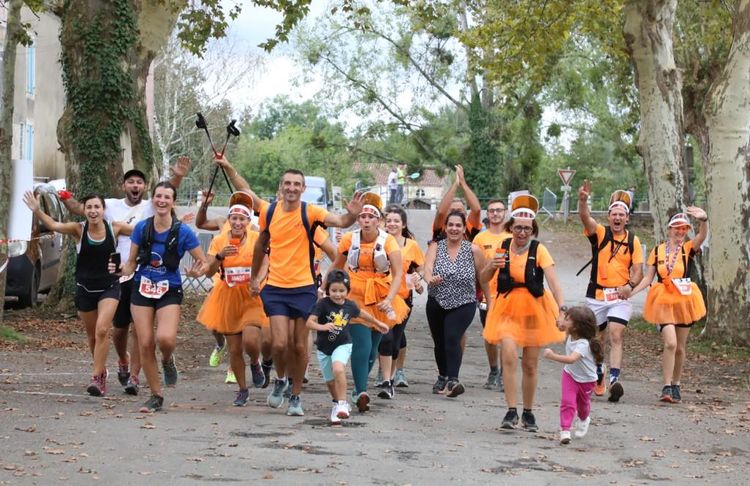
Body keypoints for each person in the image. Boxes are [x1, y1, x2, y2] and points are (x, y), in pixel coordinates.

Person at [60, 157, 191, 395]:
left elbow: (167, 194)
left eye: (140, 182)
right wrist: (67, 199)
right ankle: (123, 360)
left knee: (141, 331)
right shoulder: (110, 205)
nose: (135, 185)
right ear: (124, 185)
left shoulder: (152, 206)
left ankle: (134, 377)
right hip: (117, 273)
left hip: (142, 274)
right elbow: (82, 209)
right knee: (119, 331)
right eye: (131, 181)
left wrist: (178, 176)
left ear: (144, 186)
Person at [249, 169, 364, 417]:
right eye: (287, 183)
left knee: (300, 347)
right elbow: (259, 244)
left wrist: (351, 216)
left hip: (304, 289)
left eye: (297, 184)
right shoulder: (270, 212)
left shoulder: (310, 215)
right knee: (279, 344)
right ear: (281, 187)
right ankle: (281, 379)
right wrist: (254, 277)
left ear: (303, 189)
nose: (291, 188)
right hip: (277, 287)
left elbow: (340, 226)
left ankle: (296, 396)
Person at [24, 192, 132, 396]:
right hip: (85, 288)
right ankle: (101, 369)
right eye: (89, 207)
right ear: (84, 210)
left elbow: (143, 233)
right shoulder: (78, 229)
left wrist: (130, 263)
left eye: (96, 207)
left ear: (103, 210)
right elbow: (54, 225)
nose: (92, 211)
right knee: (92, 337)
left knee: (102, 330)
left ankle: (97, 378)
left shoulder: (114, 227)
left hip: (109, 287)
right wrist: (36, 209)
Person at [118, 182, 207, 413]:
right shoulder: (141, 228)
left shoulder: (183, 232)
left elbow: (203, 261)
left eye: (167, 197)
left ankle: (168, 360)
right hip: (142, 286)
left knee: (165, 339)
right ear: (153, 199)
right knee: (145, 342)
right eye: (158, 196)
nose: (161, 201)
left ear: (172, 202)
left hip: (169, 288)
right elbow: (130, 263)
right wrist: (121, 270)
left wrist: (197, 270)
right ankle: (156, 395)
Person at [481, 195, 566, 430]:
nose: (522, 233)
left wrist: (561, 311)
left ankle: (528, 412)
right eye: (518, 227)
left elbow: (554, 283)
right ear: (511, 227)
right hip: (506, 307)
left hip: (533, 309)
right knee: (508, 353)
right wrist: (491, 266)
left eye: (527, 229)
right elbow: (484, 279)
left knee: (530, 363)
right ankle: (511, 411)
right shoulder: (502, 247)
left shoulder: (540, 250)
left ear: (533, 229)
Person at [328, 195, 410, 412]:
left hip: (381, 293)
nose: (366, 220)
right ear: (358, 219)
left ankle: (360, 384)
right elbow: (337, 265)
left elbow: (398, 271)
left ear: (378, 220)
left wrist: (390, 299)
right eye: (362, 216)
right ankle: (361, 391)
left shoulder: (388, 241)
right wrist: (323, 287)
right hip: (355, 294)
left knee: (374, 348)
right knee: (361, 344)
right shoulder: (349, 239)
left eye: (370, 216)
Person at [630, 208, 708, 403]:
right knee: (670, 343)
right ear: (669, 229)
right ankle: (666, 386)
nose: (680, 231)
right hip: (663, 300)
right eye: (676, 228)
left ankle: (676, 383)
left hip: (684, 300)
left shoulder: (688, 248)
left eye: (684, 228)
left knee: (680, 348)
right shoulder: (657, 251)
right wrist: (630, 293)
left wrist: (703, 220)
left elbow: (702, 236)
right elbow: (648, 278)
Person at [577, 182, 644, 403]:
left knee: (616, 334)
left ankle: (615, 380)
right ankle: (599, 374)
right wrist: (583, 201)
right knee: (597, 339)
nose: (617, 218)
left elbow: (638, 271)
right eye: (614, 214)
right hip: (596, 296)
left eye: (621, 214)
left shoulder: (632, 240)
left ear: (627, 218)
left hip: (619, 297)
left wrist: (630, 286)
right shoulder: (600, 233)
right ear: (608, 216)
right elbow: (586, 219)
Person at [307, 269, 389, 424]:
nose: (338, 295)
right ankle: (337, 403)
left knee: (338, 369)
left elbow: (363, 314)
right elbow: (309, 322)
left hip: (343, 344)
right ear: (327, 290)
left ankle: (343, 405)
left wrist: (378, 323)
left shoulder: (350, 306)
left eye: (341, 291)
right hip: (324, 348)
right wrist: (322, 327)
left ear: (348, 291)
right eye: (334, 291)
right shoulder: (322, 304)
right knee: (330, 381)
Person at [424, 211, 488, 398]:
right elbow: (427, 268)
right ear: (445, 227)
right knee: (439, 342)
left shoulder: (473, 250)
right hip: (436, 301)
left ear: (464, 228)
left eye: (458, 225)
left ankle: (453, 379)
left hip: (464, 302)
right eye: (450, 225)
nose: (454, 228)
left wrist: (489, 301)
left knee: (452, 336)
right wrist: (430, 278)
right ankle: (443, 375)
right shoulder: (436, 247)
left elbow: (483, 278)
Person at [375, 205, 424, 399]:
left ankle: (391, 375)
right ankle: (387, 380)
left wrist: (419, 279)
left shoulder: (411, 245)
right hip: (380, 297)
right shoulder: (378, 242)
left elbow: (420, 268)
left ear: (403, 224)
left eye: (396, 221)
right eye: (389, 221)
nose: (392, 224)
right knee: (385, 339)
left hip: (403, 300)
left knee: (395, 342)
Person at [543, 306, 603, 444]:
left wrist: (553, 356)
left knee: (583, 407)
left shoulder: (583, 344)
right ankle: (565, 430)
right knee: (568, 402)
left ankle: (584, 418)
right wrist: (560, 317)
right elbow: (560, 325)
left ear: (576, 327)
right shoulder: (571, 333)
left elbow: (571, 359)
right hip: (570, 374)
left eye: (568, 319)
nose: (565, 321)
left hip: (587, 380)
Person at [472, 198, 512, 391]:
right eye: (492, 211)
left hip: (509, 296)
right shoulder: (480, 239)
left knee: (507, 336)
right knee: (489, 336)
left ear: (505, 213)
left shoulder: (513, 236)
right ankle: (493, 370)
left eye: (499, 210)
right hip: (487, 295)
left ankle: (505, 373)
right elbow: (477, 269)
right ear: (487, 214)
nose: (495, 214)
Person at [431, 164, 483, 242]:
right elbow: (441, 212)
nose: (455, 213)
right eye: (452, 211)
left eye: (459, 210)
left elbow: (477, 210)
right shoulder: (442, 227)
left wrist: (463, 183)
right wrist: (455, 184)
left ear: (465, 214)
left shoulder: (468, 228)